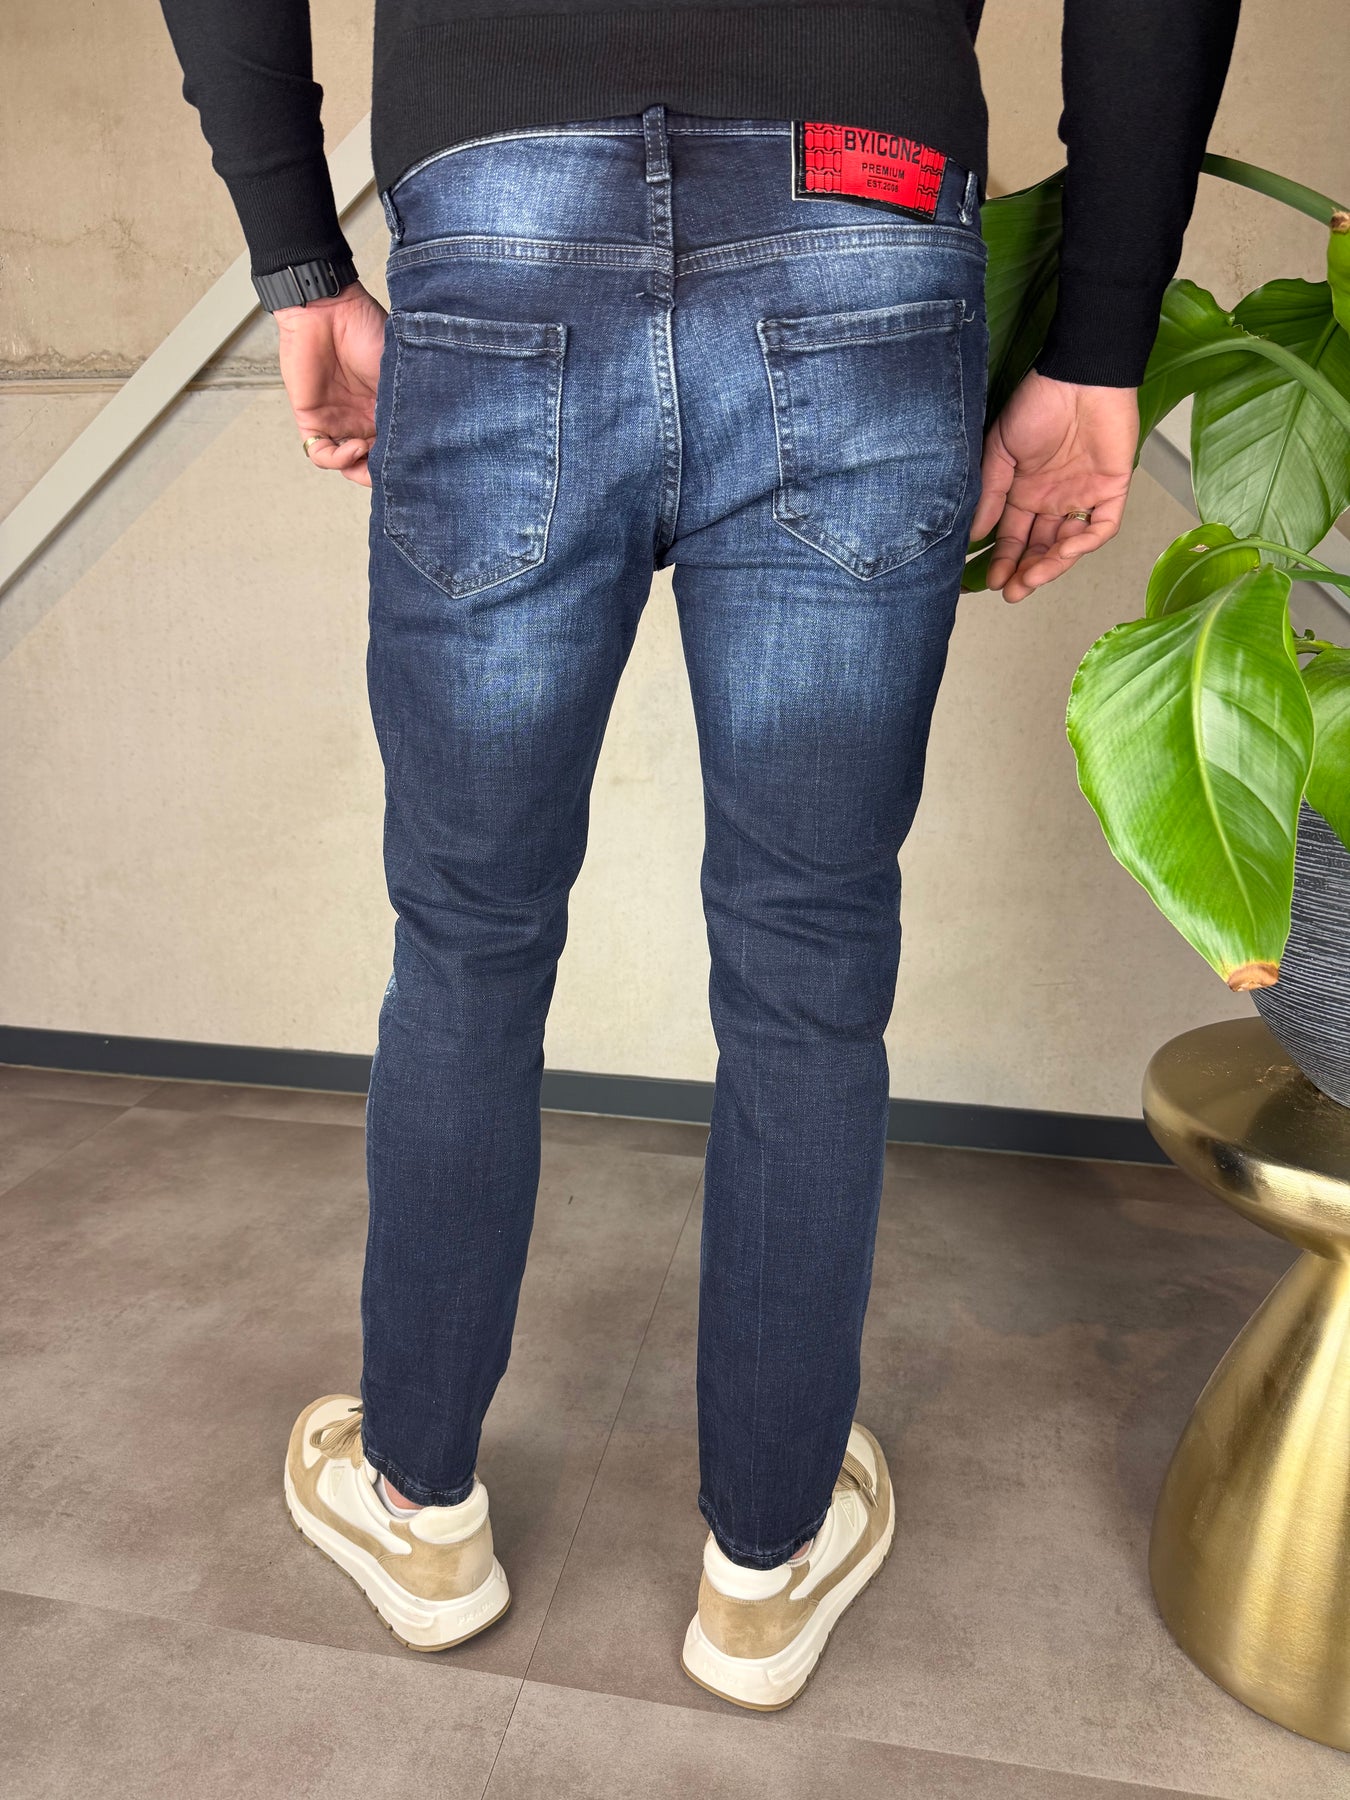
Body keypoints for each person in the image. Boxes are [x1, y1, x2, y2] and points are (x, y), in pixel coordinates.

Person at [157, 0, 1241, 1709]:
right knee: (809, 956)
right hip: (860, 216)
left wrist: (300, 258)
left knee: (466, 935)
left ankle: (417, 1506)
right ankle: (764, 1560)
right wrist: (1096, 340)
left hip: (499, 220)